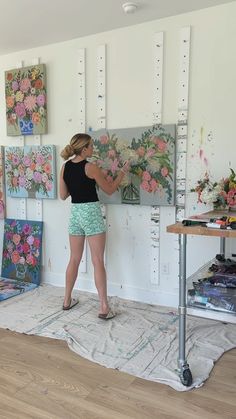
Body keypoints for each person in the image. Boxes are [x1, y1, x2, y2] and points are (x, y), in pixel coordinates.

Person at [60, 133, 129, 319]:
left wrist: (75, 185)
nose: (93, 149)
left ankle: (67, 301)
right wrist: (122, 172)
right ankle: (104, 308)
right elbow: (110, 189)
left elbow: (62, 195)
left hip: (75, 213)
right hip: (90, 212)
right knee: (97, 260)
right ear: (84, 149)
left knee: (74, 258)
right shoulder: (91, 167)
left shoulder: (65, 167)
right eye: (91, 146)